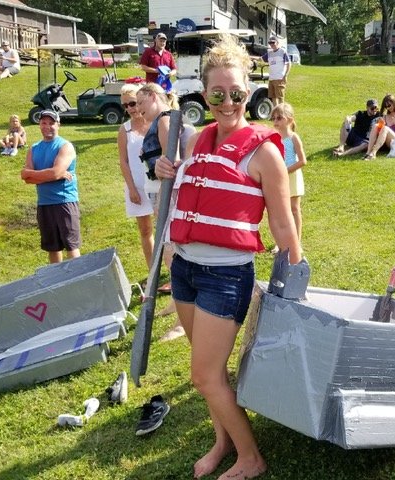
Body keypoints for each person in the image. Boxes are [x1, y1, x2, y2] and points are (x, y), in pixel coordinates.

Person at [154, 33, 301, 480]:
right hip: (185, 270)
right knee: (209, 373)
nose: (228, 102)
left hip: (225, 276)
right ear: (204, 93)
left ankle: (251, 458)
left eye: (236, 94)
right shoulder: (196, 139)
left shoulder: (264, 151)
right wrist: (167, 170)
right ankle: (222, 443)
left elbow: (281, 222)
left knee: (205, 376)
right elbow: (194, 193)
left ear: (248, 91)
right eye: (218, 94)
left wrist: (295, 272)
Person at [136, 82, 196, 340]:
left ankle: (183, 322)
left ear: (152, 96)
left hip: (168, 190)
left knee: (172, 252)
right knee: (170, 252)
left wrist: (164, 192)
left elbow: (172, 160)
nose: (138, 109)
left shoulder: (164, 120)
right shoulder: (165, 119)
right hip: (166, 190)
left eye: (140, 103)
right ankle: (176, 303)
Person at [20, 110, 80, 264]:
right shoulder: (34, 148)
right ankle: (58, 283)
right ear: (39, 124)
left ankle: (78, 281)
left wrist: (36, 175)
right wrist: (52, 174)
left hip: (64, 202)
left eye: (51, 123)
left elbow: (54, 173)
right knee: (53, 248)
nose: (47, 126)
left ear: (58, 124)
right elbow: (26, 178)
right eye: (44, 123)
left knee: (71, 247)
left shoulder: (65, 146)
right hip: (44, 204)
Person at [117, 84, 153, 269]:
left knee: (167, 229)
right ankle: (153, 270)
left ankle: (173, 271)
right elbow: (123, 161)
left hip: (158, 184)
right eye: (125, 105)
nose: (130, 109)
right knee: (145, 230)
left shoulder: (155, 122)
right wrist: (131, 189)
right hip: (137, 186)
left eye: (132, 103)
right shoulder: (125, 130)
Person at [271, 102, 307, 242]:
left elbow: (302, 161)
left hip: (292, 177)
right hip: (279, 178)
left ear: (290, 120)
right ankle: (280, 242)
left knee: (294, 209)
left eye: (279, 118)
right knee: (279, 212)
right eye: (273, 118)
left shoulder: (293, 138)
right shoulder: (274, 138)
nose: (275, 121)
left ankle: (296, 241)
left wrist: (285, 171)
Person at [363, 94, 395, 160]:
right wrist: (380, 125)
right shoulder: (385, 116)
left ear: (394, 103)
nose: (388, 108)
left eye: (389, 105)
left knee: (385, 128)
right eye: (386, 106)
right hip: (387, 143)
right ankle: (368, 152)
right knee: (376, 126)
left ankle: (373, 153)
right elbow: (380, 132)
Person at [260, 36, 291, 106]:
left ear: (277, 43)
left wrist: (286, 75)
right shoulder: (269, 53)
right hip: (271, 79)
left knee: (280, 97)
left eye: (273, 42)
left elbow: (289, 64)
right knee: (273, 97)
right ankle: (276, 113)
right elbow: (260, 59)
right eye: (270, 43)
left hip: (279, 78)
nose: (271, 44)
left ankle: (282, 113)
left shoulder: (282, 52)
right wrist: (248, 57)